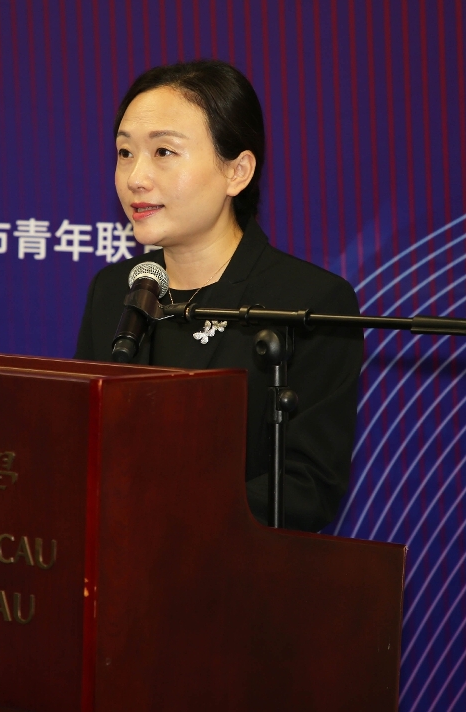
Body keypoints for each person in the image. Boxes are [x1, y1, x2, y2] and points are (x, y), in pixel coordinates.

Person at [73, 60, 363, 532]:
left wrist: (161, 510)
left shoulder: (309, 302)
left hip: (233, 568)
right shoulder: (114, 289)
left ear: (237, 171)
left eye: (164, 151)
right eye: (125, 152)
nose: (135, 177)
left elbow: (306, 488)